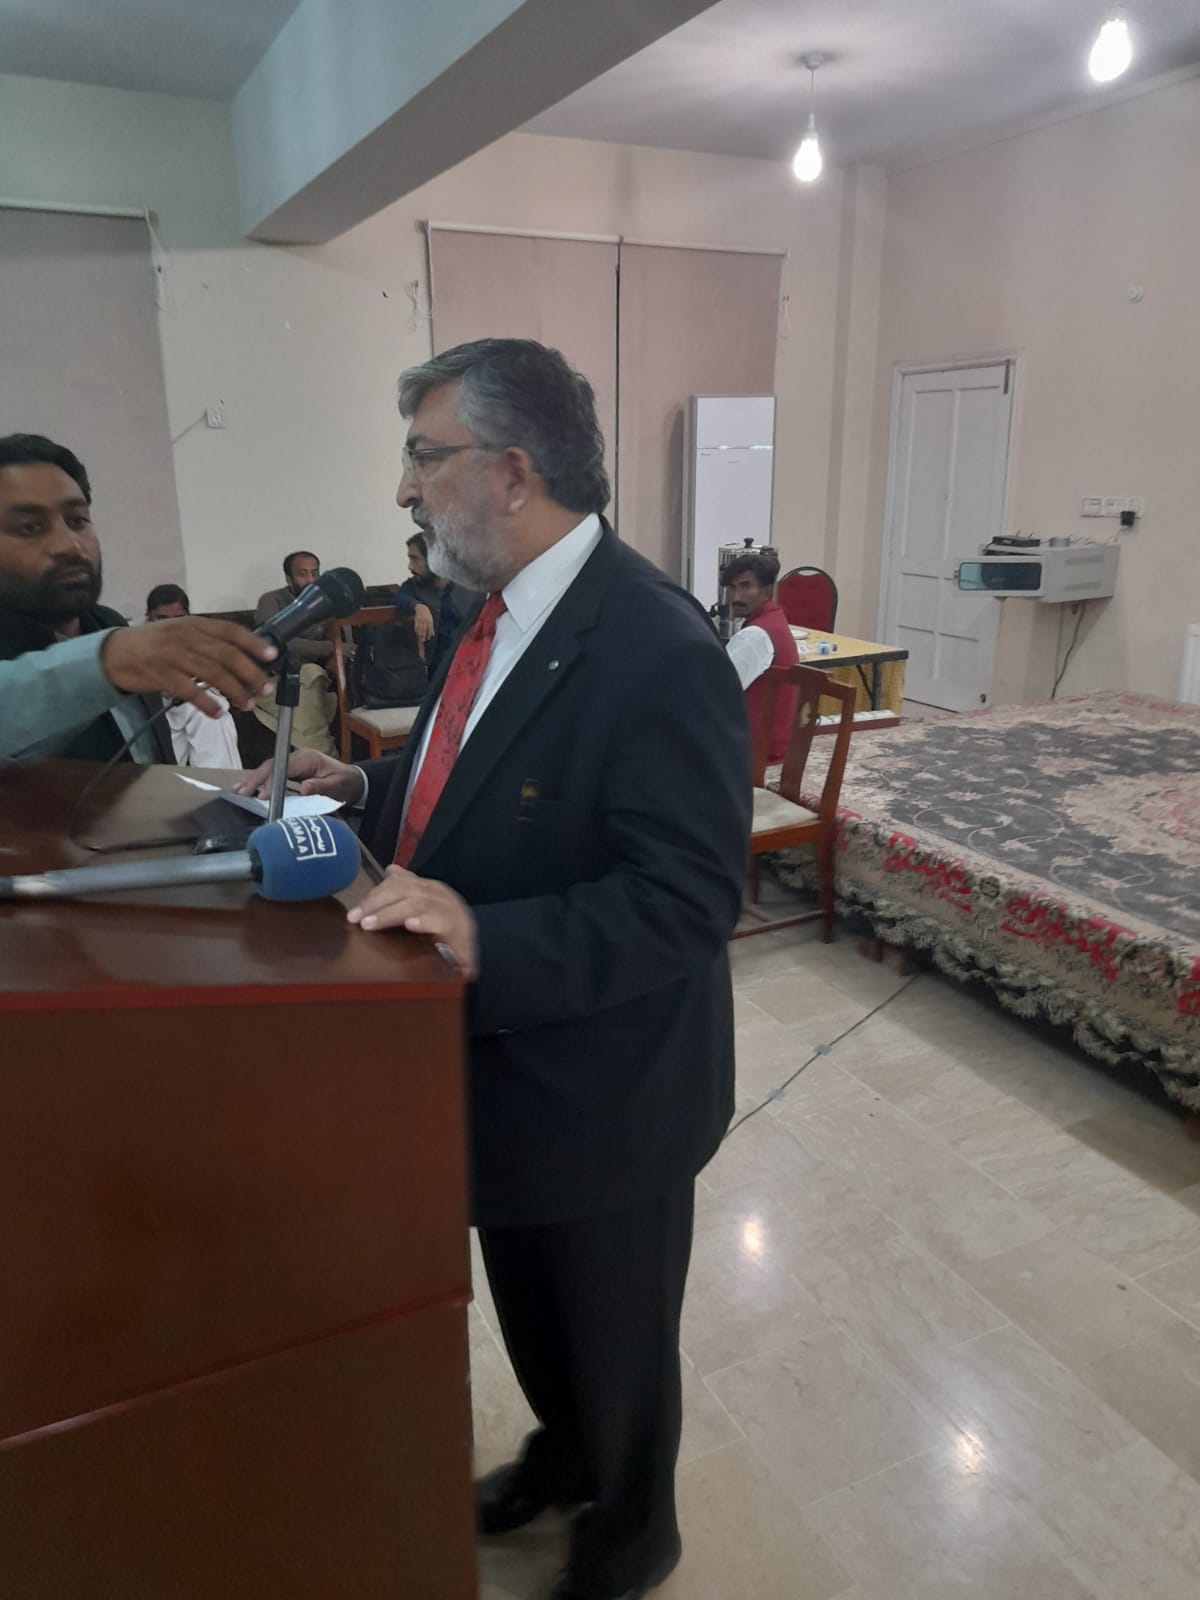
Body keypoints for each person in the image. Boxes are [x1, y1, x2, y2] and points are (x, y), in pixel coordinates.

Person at [240, 339, 751, 1600]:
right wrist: (365, 784)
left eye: (426, 456)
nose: (404, 488)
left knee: (615, 1334)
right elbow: (470, 777)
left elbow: (687, 899)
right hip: (496, 1065)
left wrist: (484, 935)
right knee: (531, 1300)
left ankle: (632, 1530)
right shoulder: (491, 605)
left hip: (607, 1085)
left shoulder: (656, 645)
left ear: (513, 472)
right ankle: (563, 1459)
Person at [0, 434, 274, 764]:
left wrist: (257, 785)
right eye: (29, 527)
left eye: (77, 520)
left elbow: (145, 770)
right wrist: (102, 662)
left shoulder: (108, 624)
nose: (69, 545)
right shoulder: (113, 647)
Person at [145, 584, 242, 768]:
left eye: (179, 619)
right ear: (148, 618)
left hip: (190, 703)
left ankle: (223, 783)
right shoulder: (133, 641)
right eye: (162, 619)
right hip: (154, 709)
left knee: (211, 712)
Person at [253, 550, 338, 755]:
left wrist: (335, 656)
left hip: (316, 678)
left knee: (312, 677)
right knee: (309, 680)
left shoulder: (326, 603)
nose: (310, 580)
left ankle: (319, 759)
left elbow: (342, 641)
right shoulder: (271, 600)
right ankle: (326, 755)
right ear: (289, 578)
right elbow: (277, 642)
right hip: (275, 679)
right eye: (302, 574)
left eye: (314, 573)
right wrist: (330, 648)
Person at [723, 548, 800, 763]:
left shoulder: (755, 636)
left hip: (754, 752)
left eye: (745, 586)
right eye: (732, 588)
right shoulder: (775, 620)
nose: (736, 597)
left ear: (766, 591)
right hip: (776, 743)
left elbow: (716, 692)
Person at [393, 531, 479, 680]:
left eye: (415, 559)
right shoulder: (413, 586)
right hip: (433, 672)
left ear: (433, 559)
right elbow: (400, 597)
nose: (410, 566)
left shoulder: (468, 587)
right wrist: (418, 606)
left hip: (467, 667)